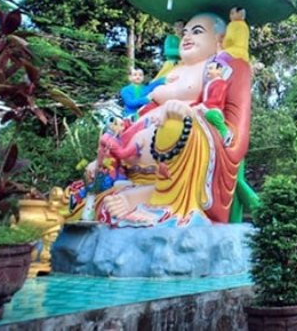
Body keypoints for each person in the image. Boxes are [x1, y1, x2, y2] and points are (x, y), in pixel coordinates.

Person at [72, 12, 249, 227]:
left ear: (219, 39)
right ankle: (128, 190)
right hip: (135, 166)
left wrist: (187, 113)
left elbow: (227, 118)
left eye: (197, 31)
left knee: (176, 124)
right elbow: (139, 115)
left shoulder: (219, 69)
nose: (187, 37)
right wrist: (105, 157)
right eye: (184, 32)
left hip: (185, 140)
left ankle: (156, 199)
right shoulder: (172, 71)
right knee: (112, 134)